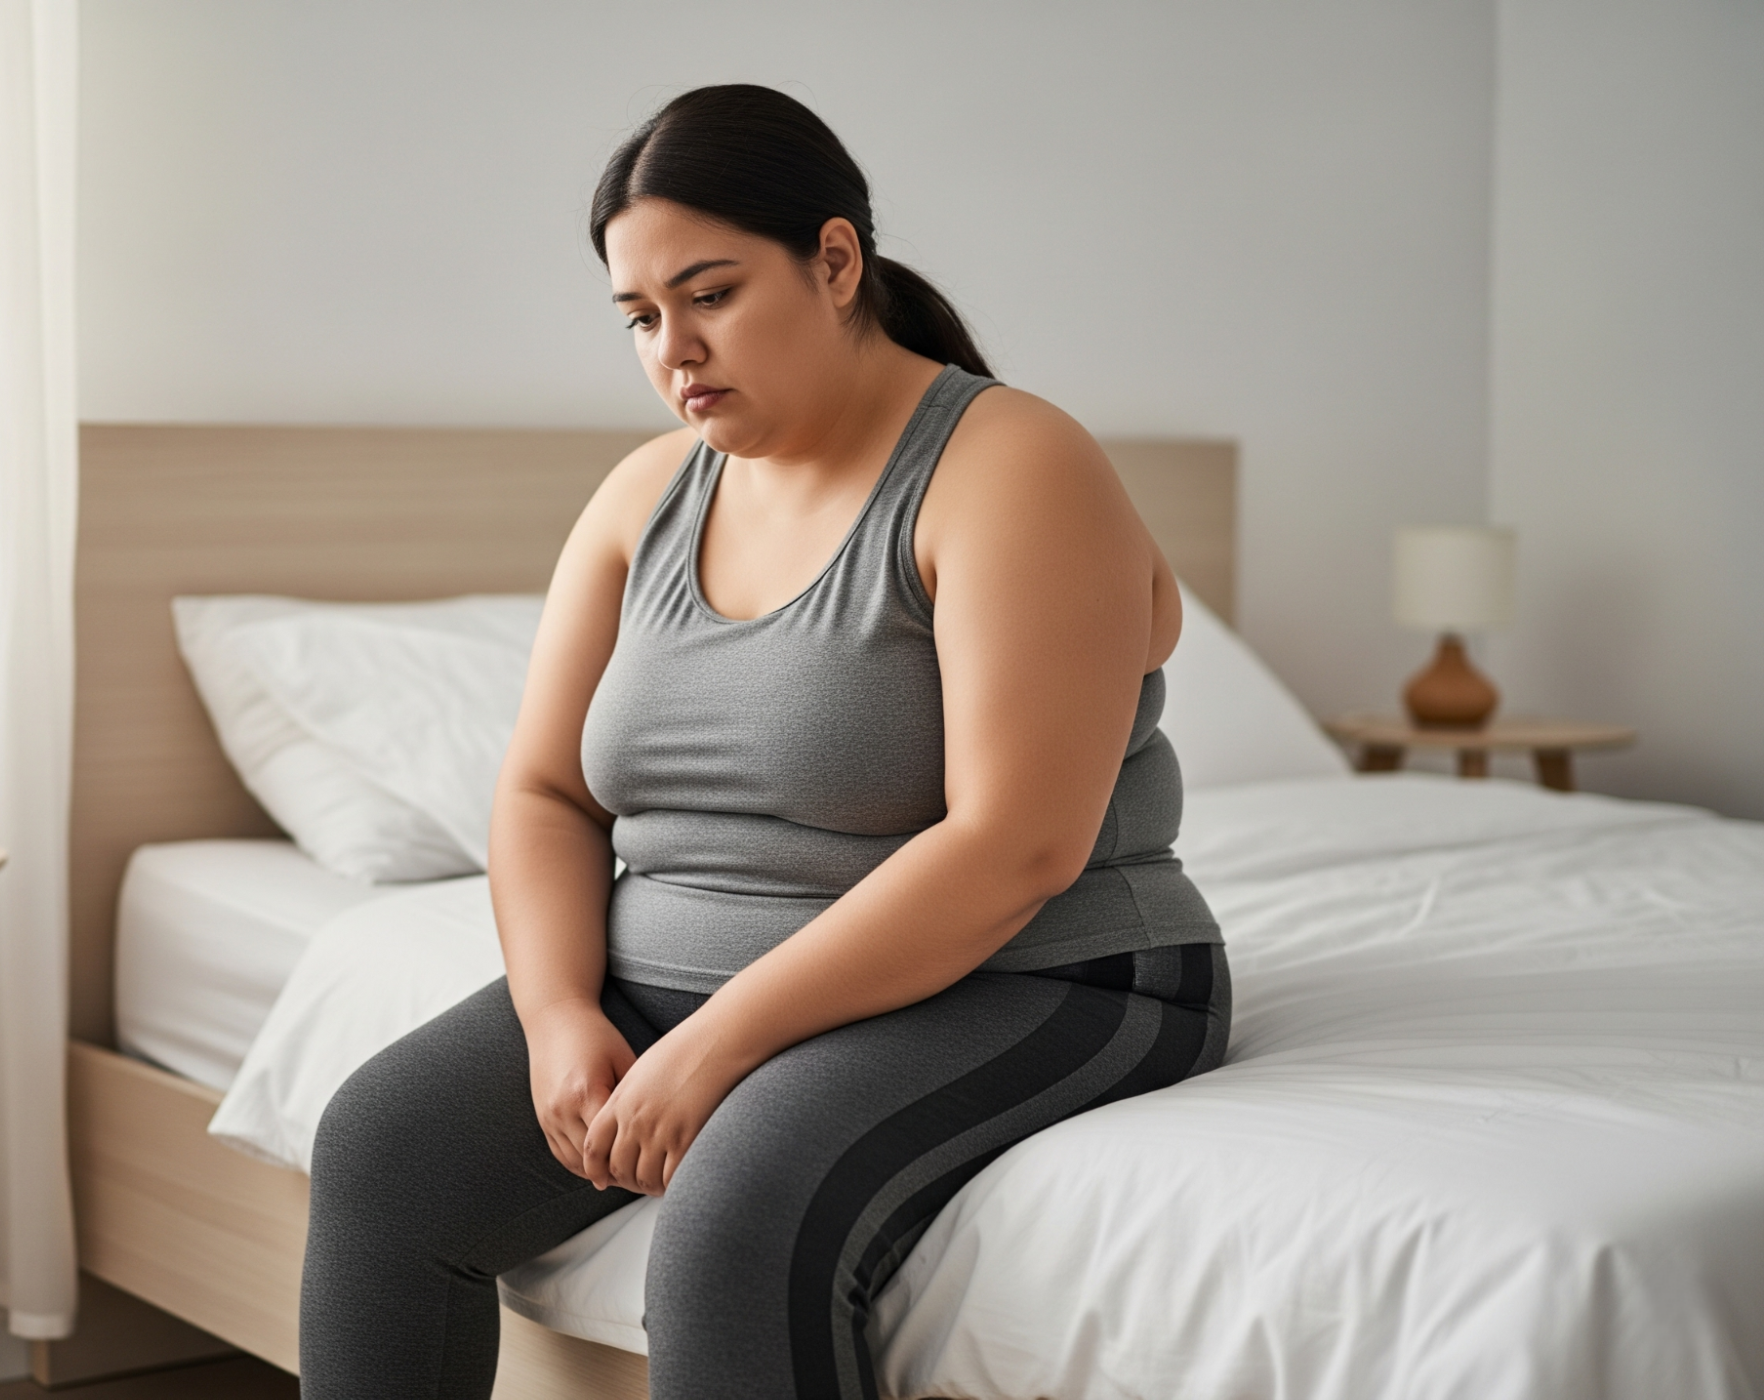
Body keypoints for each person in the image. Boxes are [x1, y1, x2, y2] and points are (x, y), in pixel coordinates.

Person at [298, 83, 1228, 1400]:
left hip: (1041, 978)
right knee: (383, 1151)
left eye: (711, 293)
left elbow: (1016, 844)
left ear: (834, 261)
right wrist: (561, 1015)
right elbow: (545, 791)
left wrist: (715, 1046)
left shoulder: (1011, 463)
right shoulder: (644, 493)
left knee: (734, 1222)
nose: (673, 348)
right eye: (638, 316)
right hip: (674, 974)